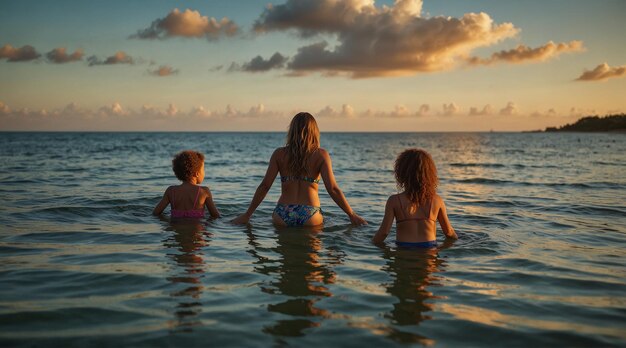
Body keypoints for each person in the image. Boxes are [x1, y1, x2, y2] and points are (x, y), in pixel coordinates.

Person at [232, 112, 366, 226]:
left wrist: (247, 214)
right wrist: (351, 214)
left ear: (292, 131)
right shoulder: (321, 155)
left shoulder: (279, 154)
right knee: (311, 256)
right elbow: (333, 189)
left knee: (285, 255)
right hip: (310, 215)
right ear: (315, 132)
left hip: (282, 213)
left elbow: (265, 186)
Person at [373, 148, 457, 247]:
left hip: (404, 249)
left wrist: (370, 243)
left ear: (401, 173)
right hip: (429, 250)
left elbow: (384, 232)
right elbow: (449, 232)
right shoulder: (437, 200)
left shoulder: (394, 201)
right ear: (429, 174)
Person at [153, 150, 220, 219]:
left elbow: (155, 213)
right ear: (196, 173)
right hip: (196, 228)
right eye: (203, 169)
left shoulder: (170, 191)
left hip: (175, 228)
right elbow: (216, 216)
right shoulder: (204, 191)